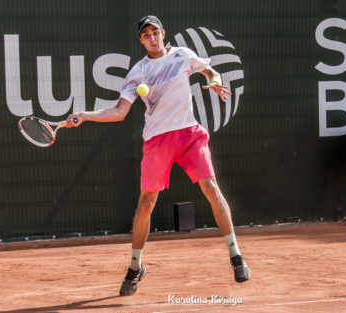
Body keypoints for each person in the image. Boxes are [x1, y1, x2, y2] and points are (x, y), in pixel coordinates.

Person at [66, 15, 251, 296]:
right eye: (146, 35)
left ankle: (236, 256)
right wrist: (85, 116)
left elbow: (210, 71)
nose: (152, 38)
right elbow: (119, 111)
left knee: (211, 187)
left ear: (163, 33)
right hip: (157, 140)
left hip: (189, 134)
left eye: (155, 32)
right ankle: (135, 266)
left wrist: (214, 80)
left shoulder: (182, 55)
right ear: (141, 40)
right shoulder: (138, 72)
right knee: (146, 203)